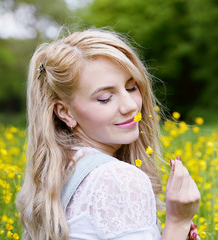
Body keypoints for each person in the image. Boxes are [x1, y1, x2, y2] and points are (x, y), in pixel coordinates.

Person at [16, 29, 201, 240]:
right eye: (105, 98)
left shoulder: (54, 173)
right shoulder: (117, 178)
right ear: (65, 113)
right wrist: (178, 222)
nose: (131, 106)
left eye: (132, 87)